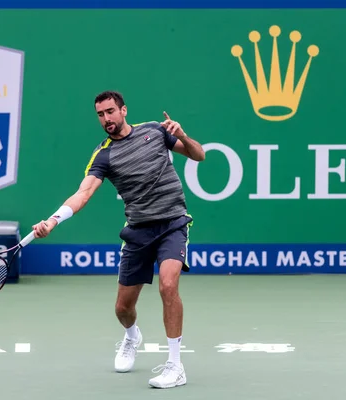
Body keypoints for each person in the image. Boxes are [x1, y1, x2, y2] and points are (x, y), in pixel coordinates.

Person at [32, 90, 205, 389]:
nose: (106, 119)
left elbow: (198, 154)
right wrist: (53, 220)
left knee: (168, 284)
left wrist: (183, 135)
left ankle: (175, 366)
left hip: (172, 223)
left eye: (110, 111)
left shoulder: (155, 131)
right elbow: (83, 193)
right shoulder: (104, 155)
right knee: (123, 309)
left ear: (124, 110)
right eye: (100, 115)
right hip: (138, 231)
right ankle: (131, 336)